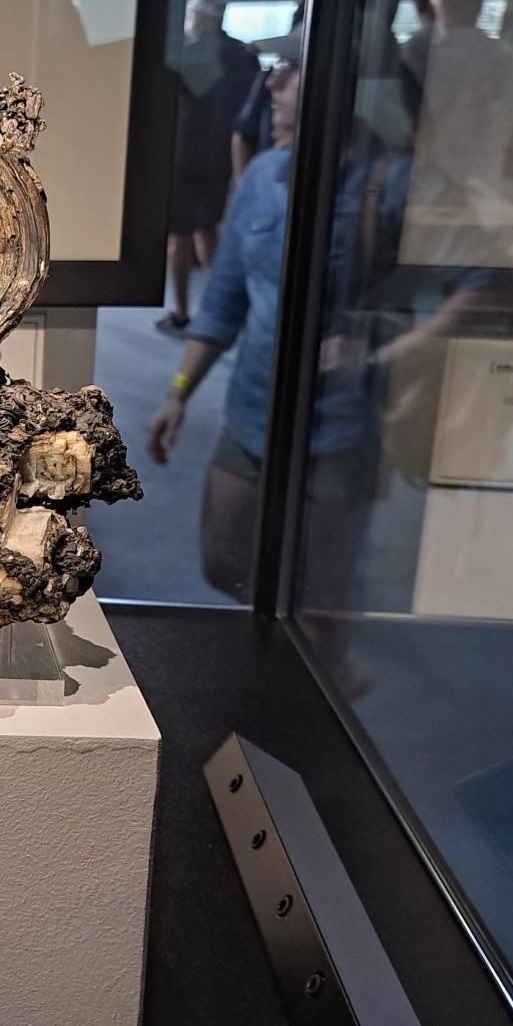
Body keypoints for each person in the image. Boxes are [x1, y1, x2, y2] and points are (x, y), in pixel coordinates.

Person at [146, 53, 405, 679]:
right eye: (276, 68)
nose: (273, 82)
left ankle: (324, 681)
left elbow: (472, 295)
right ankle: (281, 666)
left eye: (290, 69)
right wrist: (179, 391)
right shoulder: (263, 175)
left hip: (340, 424)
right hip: (253, 411)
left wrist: (377, 351)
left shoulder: (392, 180)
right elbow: (224, 298)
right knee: (226, 560)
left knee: (322, 590)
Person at [158, 0, 261, 334]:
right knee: (207, 230)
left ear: (200, 17)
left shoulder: (188, 54)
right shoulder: (244, 56)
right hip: (223, 154)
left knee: (179, 236)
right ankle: (220, 312)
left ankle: (182, 312)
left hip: (185, 153)